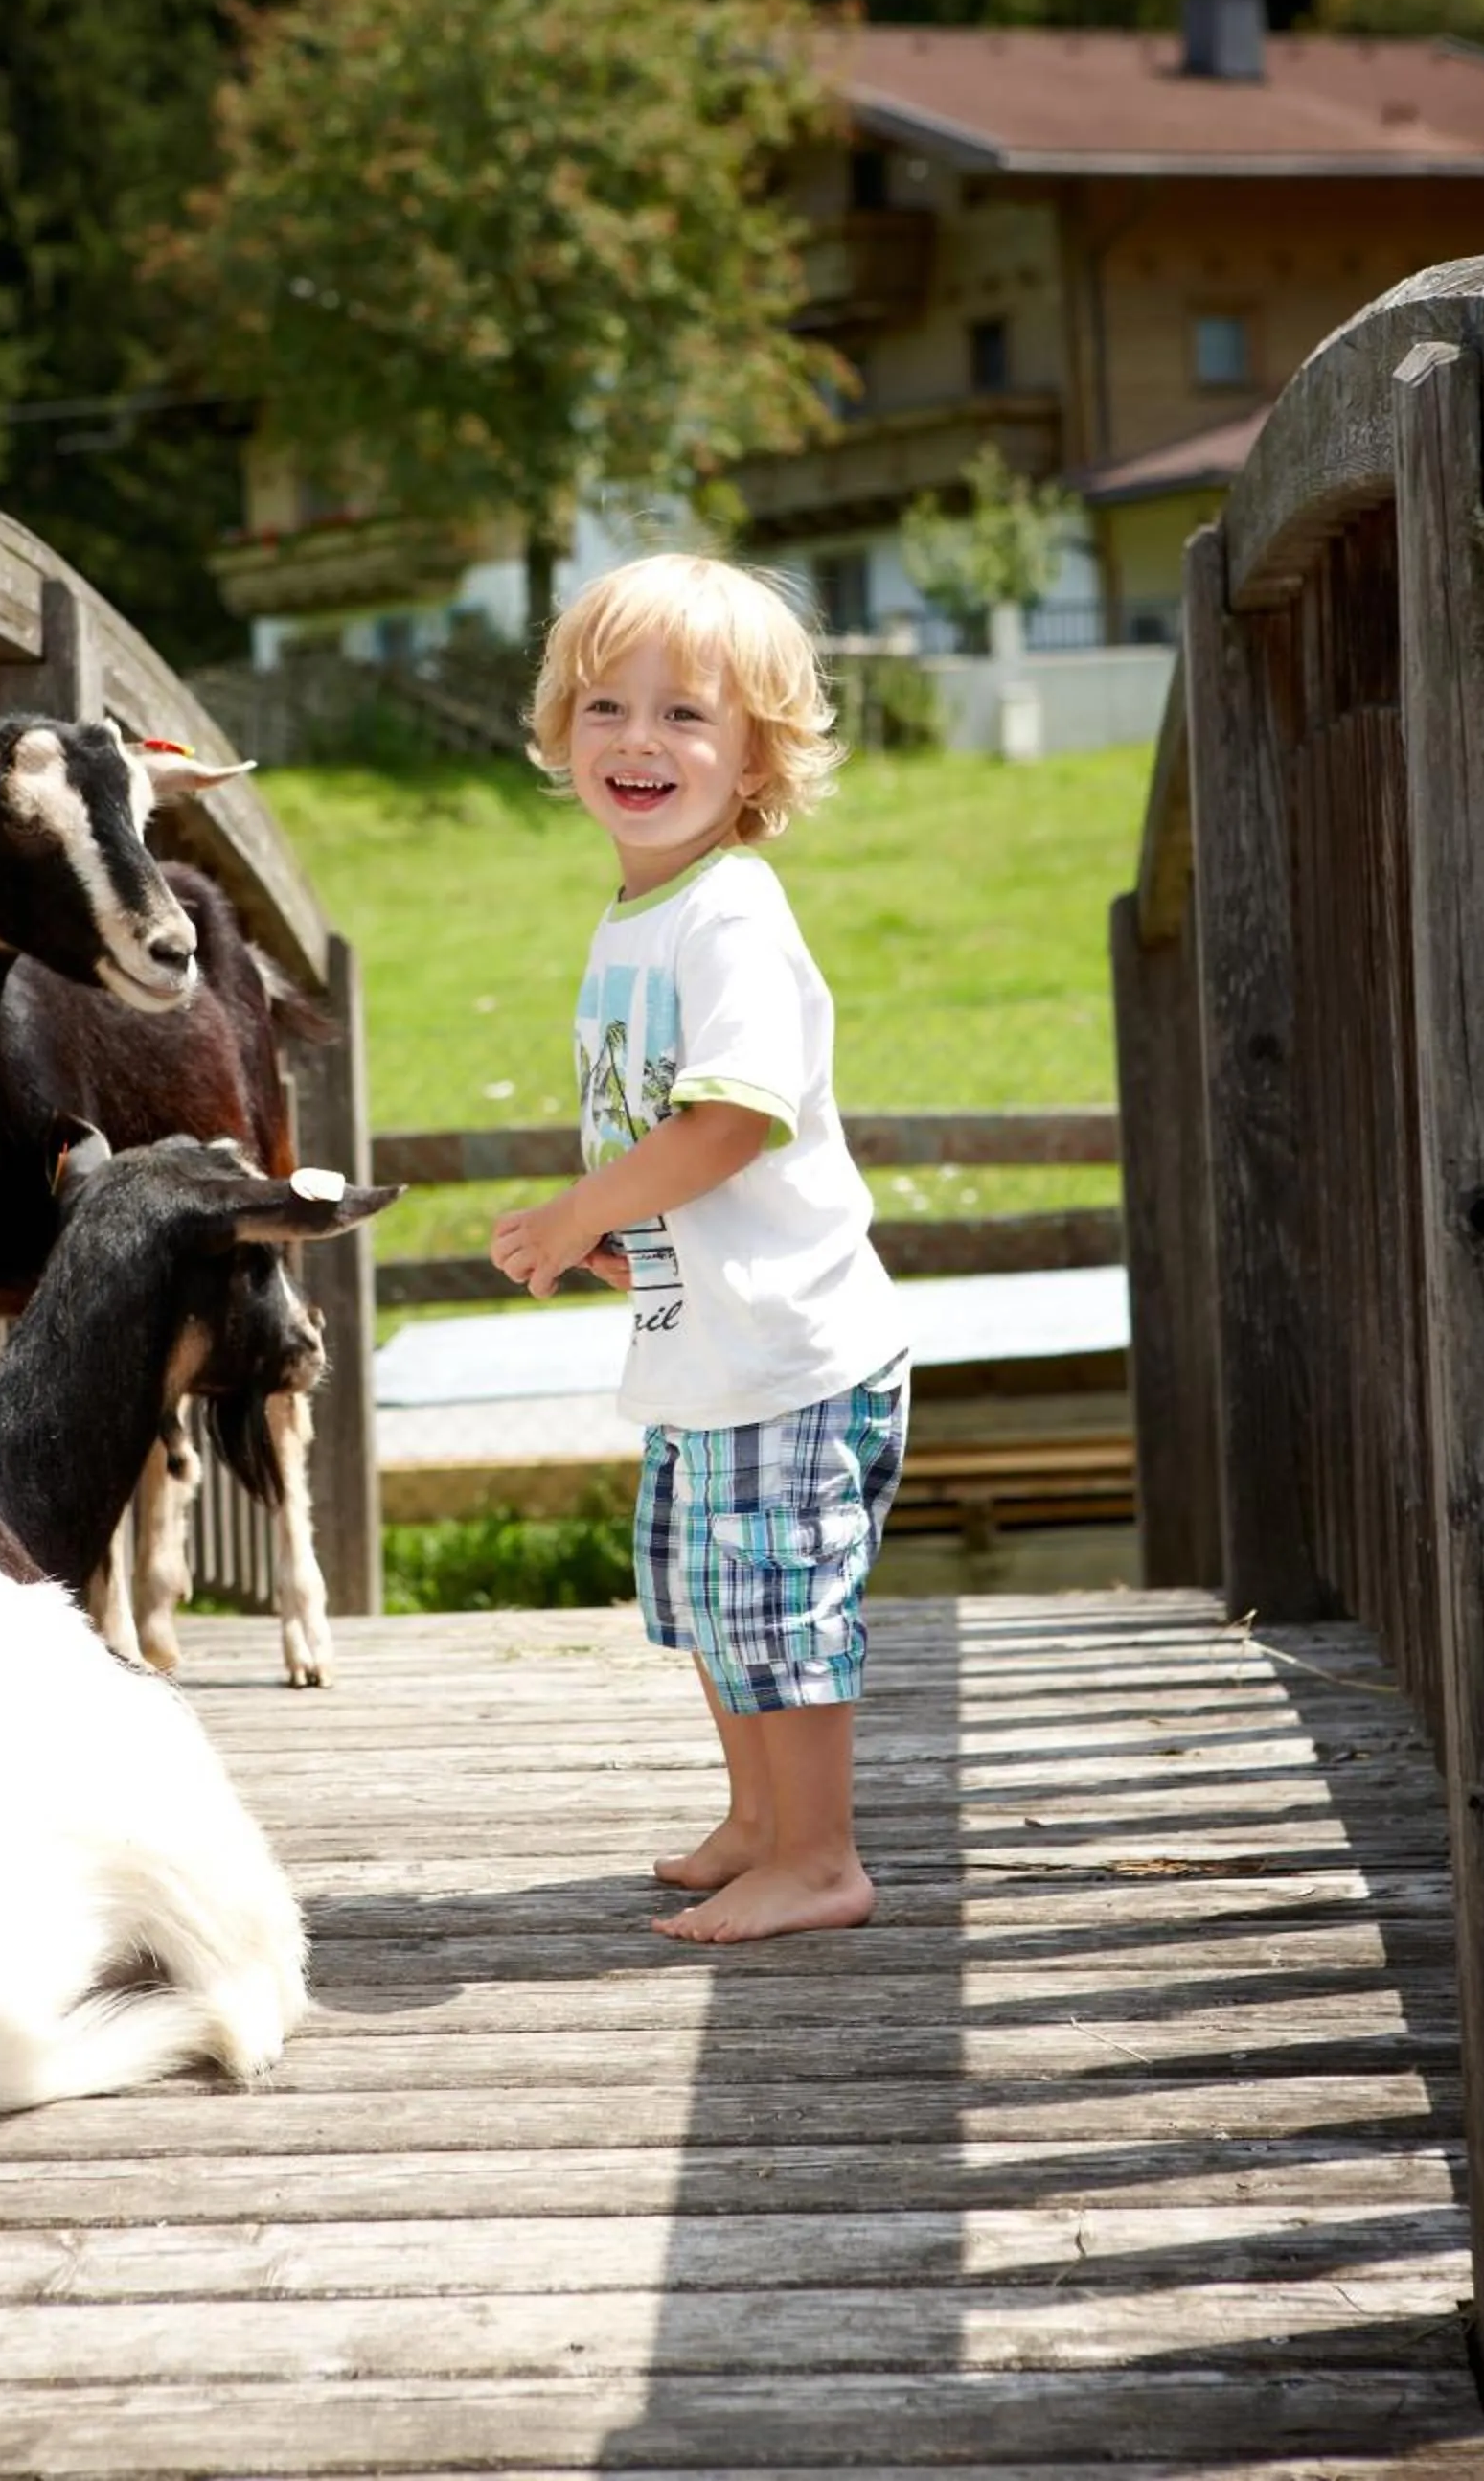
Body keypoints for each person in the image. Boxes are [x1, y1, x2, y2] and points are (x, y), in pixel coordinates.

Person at [490, 552, 910, 1941]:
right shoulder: (644, 914)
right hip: (711, 1340)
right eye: (607, 707)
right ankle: (759, 1824)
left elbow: (731, 1120)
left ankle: (822, 1858)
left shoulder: (729, 912)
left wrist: (579, 1209)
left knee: (779, 1605)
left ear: (757, 757)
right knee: (713, 1598)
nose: (640, 739)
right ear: (563, 733)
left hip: (788, 1352)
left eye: (686, 714)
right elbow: (679, 1139)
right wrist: (628, 1239)